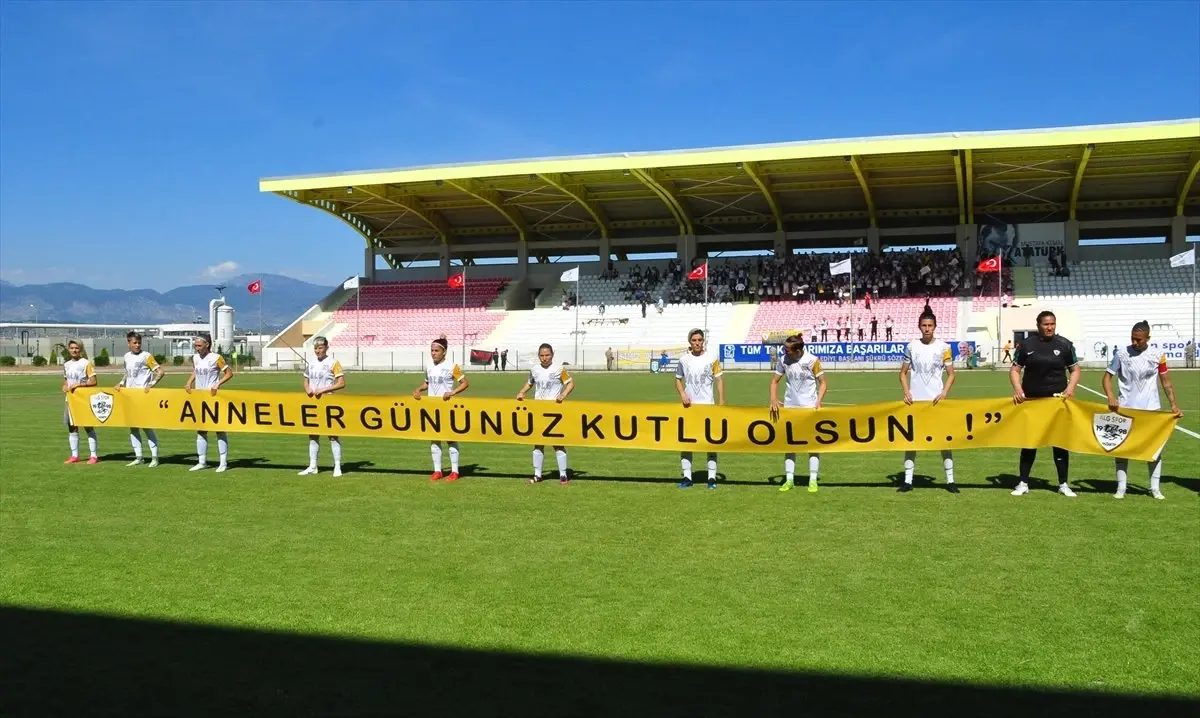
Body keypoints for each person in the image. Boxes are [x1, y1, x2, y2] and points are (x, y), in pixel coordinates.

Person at [1102, 321, 1183, 500]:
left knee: (1154, 450)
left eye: (1138, 339)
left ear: (1148, 338)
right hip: (1125, 410)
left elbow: (1166, 382)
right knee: (1122, 448)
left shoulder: (1158, 355)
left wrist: (1173, 405)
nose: (1135, 342)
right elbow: (1107, 378)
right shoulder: (1121, 354)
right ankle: (1121, 488)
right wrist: (1111, 397)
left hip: (1151, 410)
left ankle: (1154, 488)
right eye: (1132, 338)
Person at [1010, 311, 1081, 497]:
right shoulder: (1027, 345)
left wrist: (1070, 388)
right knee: (1029, 443)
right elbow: (1015, 370)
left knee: (1060, 443)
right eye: (1046, 324)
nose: (1049, 327)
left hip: (1057, 402)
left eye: (1052, 324)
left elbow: (1074, 370)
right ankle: (1023, 482)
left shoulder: (1064, 344)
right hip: (1032, 402)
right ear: (1038, 325)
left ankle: (1063, 484)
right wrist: (1018, 389)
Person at [898, 312, 958, 493]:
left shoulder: (944, 347)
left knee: (944, 443)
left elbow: (952, 374)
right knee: (911, 442)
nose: (927, 329)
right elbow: (902, 373)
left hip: (936, 403)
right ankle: (908, 481)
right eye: (924, 326)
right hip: (915, 403)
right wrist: (907, 391)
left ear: (935, 327)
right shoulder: (911, 347)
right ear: (919, 326)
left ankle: (950, 481)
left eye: (930, 326)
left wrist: (944, 393)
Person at [769, 335, 825, 493]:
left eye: (787, 349)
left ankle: (813, 480)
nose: (784, 351)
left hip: (809, 410)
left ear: (798, 350)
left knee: (813, 446)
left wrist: (818, 401)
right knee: (789, 445)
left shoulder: (812, 360)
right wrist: (773, 398)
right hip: (790, 409)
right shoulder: (783, 360)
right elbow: (774, 381)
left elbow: (823, 383)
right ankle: (789, 479)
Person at [517, 343, 575, 485]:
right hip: (538, 410)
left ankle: (563, 475)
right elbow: (530, 383)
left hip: (554, 411)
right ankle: (538, 475)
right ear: (539, 356)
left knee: (557, 443)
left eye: (547, 355)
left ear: (552, 355)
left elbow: (570, 383)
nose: (545, 358)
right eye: (542, 355)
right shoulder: (534, 369)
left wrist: (563, 394)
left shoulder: (559, 369)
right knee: (538, 444)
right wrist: (522, 392)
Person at [675, 329, 725, 489]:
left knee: (710, 443)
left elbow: (719, 380)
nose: (697, 343)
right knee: (686, 443)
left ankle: (711, 478)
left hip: (708, 406)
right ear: (690, 342)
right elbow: (677, 379)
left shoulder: (712, 358)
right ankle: (687, 477)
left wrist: (722, 400)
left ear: (703, 341)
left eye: (700, 340)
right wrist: (682, 393)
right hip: (689, 408)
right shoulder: (683, 360)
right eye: (694, 340)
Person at [414, 337, 469, 481]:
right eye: (432, 350)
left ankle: (455, 471)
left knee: (450, 439)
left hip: (447, 408)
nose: (433, 353)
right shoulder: (429, 366)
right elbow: (427, 383)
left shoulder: (452, 366)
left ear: (444, 352)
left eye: (436, 350)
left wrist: (452, 392)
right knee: (434, 440)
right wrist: (419, 390)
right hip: (432, 408)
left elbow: (464, 383)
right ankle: (437, 470)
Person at [184, 333, 233, 472]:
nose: (197, 348)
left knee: (219, 429)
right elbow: (195, 371)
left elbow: (229, 373)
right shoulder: (195, 358)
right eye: (196, 346)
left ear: (207, 344)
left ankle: (223, 462)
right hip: (200, 398)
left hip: (213, 397)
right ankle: (202, 461)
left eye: (199, 345)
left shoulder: (216, 358)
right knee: (201, 430)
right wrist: (189, 382)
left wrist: (217, 384)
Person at [299, 336, 346, 476]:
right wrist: (308, 389)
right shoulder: (311, 363)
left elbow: (341, 383)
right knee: (313, 435)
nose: (317, 351)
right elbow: (306, 381)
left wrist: (324, 390)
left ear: (326, 347)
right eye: (315, 348)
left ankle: (337, 466)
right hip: (313, 403)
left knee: (332, 435)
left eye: (320, 348)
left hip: (329, 402)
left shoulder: (333, 363)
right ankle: (313, 466)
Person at [116, 331, 163, 467]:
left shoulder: (146, 356)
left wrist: (151, 384)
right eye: (134, 343)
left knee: (147, 427)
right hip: (130, 396)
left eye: (139, 343)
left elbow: (160, 372)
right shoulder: (126, 356)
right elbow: (127, 374)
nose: (137, 345)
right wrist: (121, 383)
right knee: (133, 428)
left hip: (143, 397)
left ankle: (154, 457)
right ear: (128, 343)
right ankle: (139, 456)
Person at [62, 339, 99, 464]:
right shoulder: (66, 364)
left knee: (88, 426)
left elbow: (93, 381)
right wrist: (65, 386)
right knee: (72, 428)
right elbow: (66, 380)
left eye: (76, 348)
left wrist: (79, 385)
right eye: (72, 348)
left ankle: (93, 456)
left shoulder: (86, 363)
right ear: (69, 349)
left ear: (81, 349)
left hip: (83, 400)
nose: (74, 350)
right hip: (70, 400)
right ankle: (75, 456)